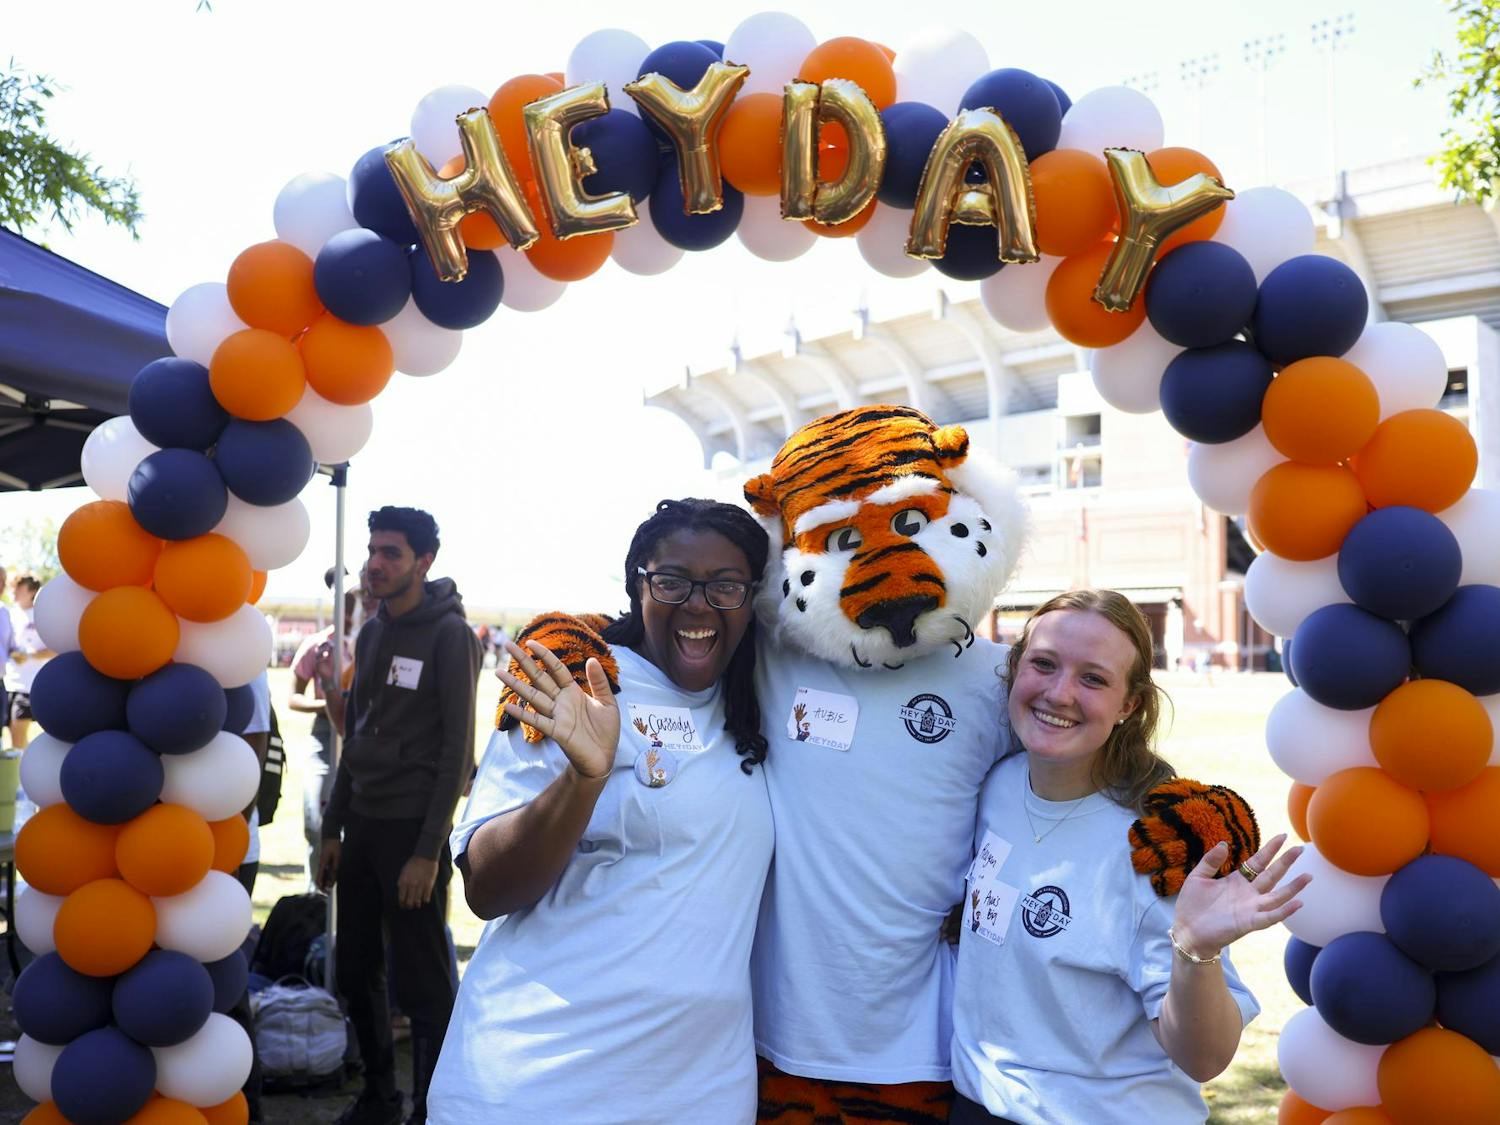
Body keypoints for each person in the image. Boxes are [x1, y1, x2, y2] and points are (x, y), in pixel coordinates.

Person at [427, 498, 774, 1124]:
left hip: (700, 1091)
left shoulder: (763, 701)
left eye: (726, 586)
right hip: (542, 1082)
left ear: (753, 599)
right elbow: (485, 887)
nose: (699, 604)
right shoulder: (573, 682)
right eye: (671, 581)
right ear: (635, 585)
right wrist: (585, 778)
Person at [948, 590, 1307, 1125]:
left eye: (1093, 678)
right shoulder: (996, 785)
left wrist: (1194, 951)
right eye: (1043, 664)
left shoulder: (1158, 846)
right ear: (1013, 669)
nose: (1059, 693)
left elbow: (1204, 1057)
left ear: (1128, 706)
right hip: (978, 1106)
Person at [317, 507, 482, 1125]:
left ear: (424, 561)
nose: (375, 563)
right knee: (356, 969)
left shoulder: (450, 635)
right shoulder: (373, 632)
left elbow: (455, 754)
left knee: (423, 983)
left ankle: (430, 1109)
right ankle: (379, 1097)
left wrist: (426, 851)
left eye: (391, 552)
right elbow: (352, 738)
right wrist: (333, 828)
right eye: (372, 550)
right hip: (360, 825)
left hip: (413, 833)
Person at [290, 583, 357, 883]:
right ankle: (318, 899)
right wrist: (328, 705)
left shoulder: (370, 643)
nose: (346, 608)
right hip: (325, 735)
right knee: (317, 820)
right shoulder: (318, 646)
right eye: (340, 602)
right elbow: (293, 696)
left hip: (363, 736)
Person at [6, 573, 52, 749]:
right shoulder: (9, 614)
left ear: (32, 591)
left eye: (19, 587)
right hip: (10, 683)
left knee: (18, 736)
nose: (14, 591)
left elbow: (54, 649)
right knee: (14, 736)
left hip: (30, 684)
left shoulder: (41, 615)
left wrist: (30, 656)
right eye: (13, 587)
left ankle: (22, 773)